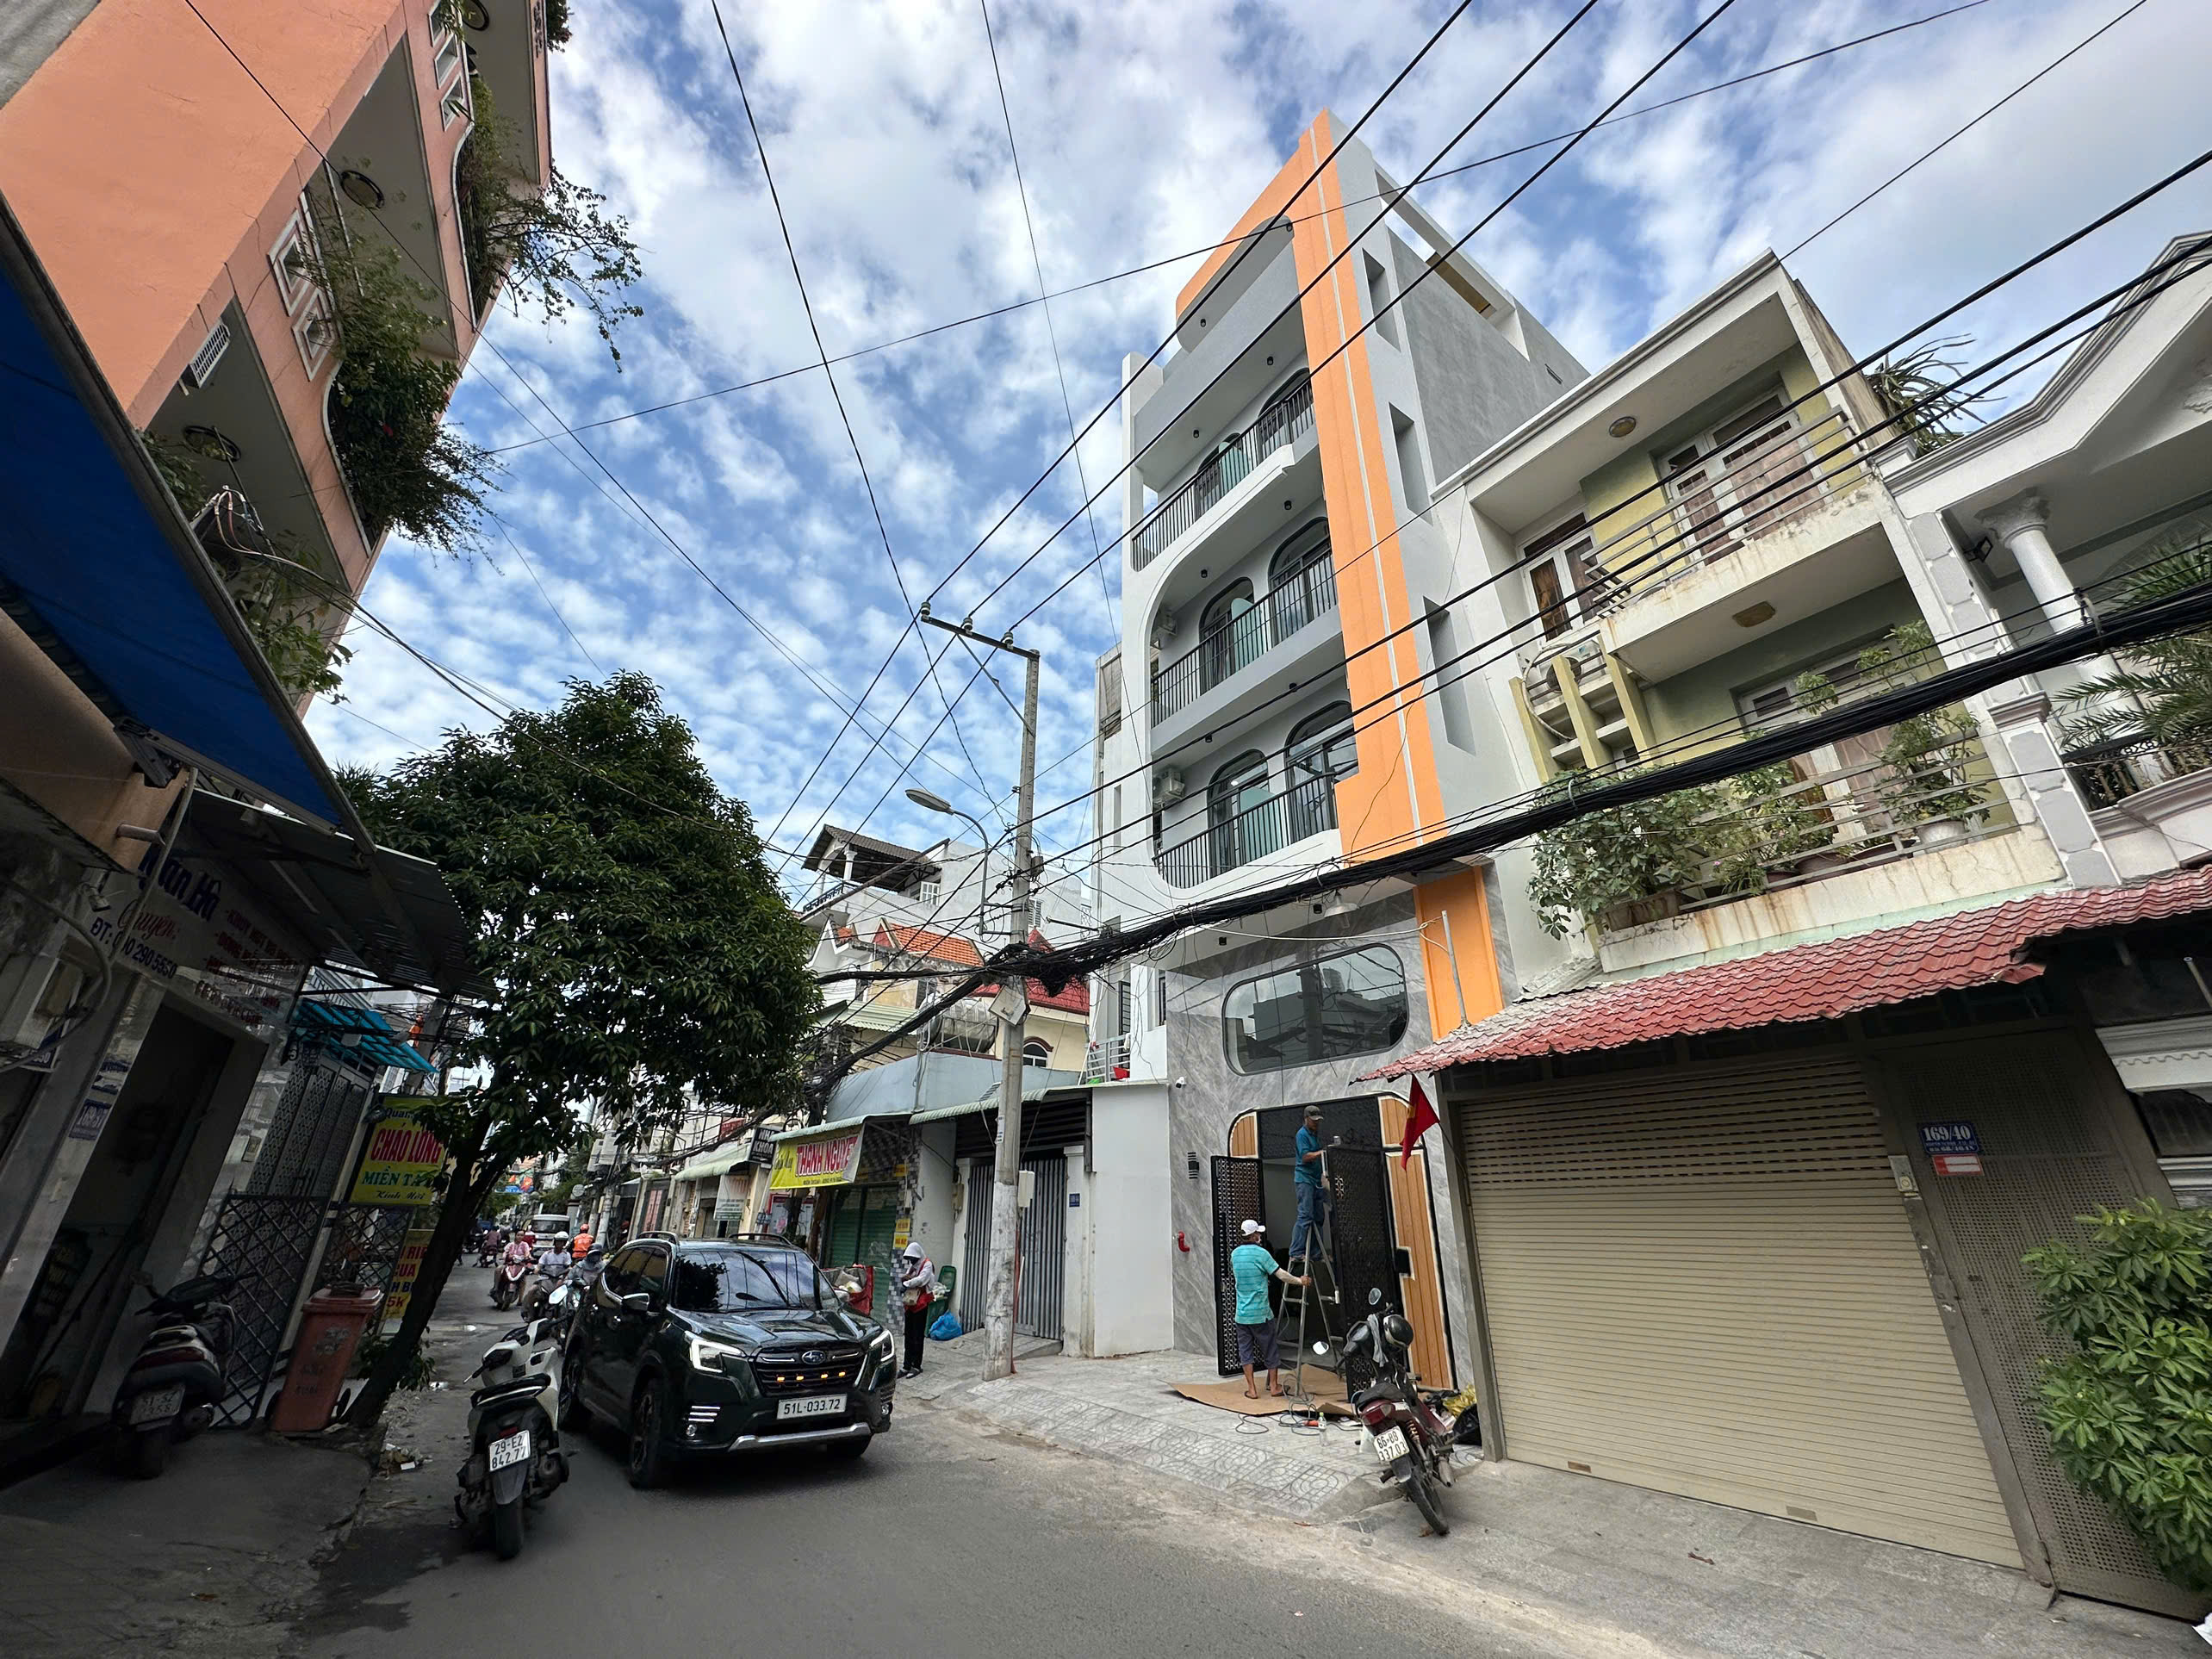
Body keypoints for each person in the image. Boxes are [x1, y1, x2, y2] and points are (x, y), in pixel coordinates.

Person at [1229, 1219, 1308, 1399]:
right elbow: (1281, 1275)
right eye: (1258, 1233)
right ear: (1253, 1236)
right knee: (1270, 1350)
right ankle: (1274, 1387)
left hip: (1242, 1315)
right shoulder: (1262, 1254)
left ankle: (1252, 1389)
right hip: (1261, 1314)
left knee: (1246, 1353)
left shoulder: (1235, 1254)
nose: (1260, 1236)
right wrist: (1300, 1281)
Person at [1290, 1103, 1333, 1266]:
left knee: (1318, 1217)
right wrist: (1320, 1153)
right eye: (1313, 1120)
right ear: (1306, 1119)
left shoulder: (1315, 1134)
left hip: (1315, 1180)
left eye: (1318, 1120)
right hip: (1305, 1180)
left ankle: (1316, 1253)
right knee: (1305, 1215)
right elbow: (1305, 1157)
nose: (1316, 1123)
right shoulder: (1301, 1134)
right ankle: (1296, 1252)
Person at [895, 1241, 935, 1378]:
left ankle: (916, 1365)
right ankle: (906, 1365)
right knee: (908, 1334)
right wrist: (905, 1279)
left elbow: (921, 1280)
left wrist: (907, 1283)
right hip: (911, 1303)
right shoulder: (913, 1266)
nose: (911, 1261)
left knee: (918, 1335)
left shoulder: (927, 1265)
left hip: (921, 1303)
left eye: (913, 1258)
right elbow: (908, 1276)